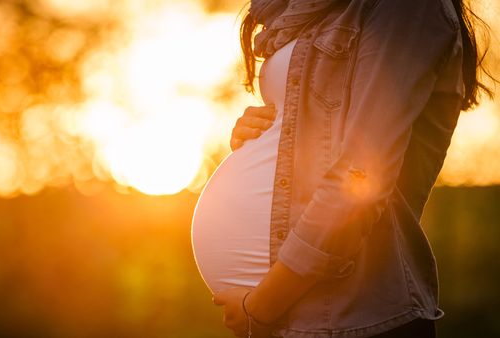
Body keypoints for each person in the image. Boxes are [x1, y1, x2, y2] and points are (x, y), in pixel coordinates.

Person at [199, 0, 494, 337]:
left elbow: (360, 182)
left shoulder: (406, 9)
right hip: (293, 317)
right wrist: (264, 132)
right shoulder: (321, 10)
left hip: (348, 318)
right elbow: (319, 131)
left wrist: (262, 308)